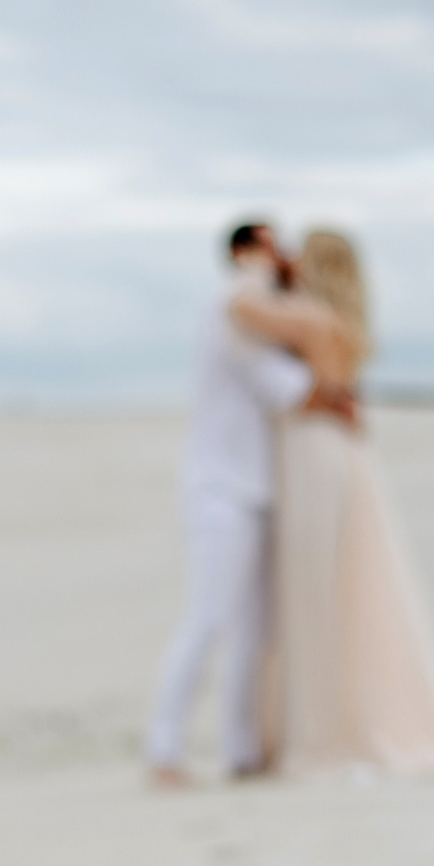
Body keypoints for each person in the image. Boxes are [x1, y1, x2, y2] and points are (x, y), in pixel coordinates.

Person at [236, 229, 434, 778]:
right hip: (346, 454)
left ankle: (318, 730)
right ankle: (332, 719)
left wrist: (259, 266)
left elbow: (240, 309)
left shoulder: (310, 320)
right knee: (349, 585)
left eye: (299, 252)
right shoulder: (347, 326)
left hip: (313, 451)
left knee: (314, 593)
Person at [142, 222, 355, 787]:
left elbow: (292, 381)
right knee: (209, 616)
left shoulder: (258, 317)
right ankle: (164, 750)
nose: (279, 254)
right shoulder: (233, 305)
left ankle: (243, 749)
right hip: (220, 487)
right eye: (267, 244)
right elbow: (288, 382)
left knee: (256, 627)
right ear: (242, 253)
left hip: (257, 483)